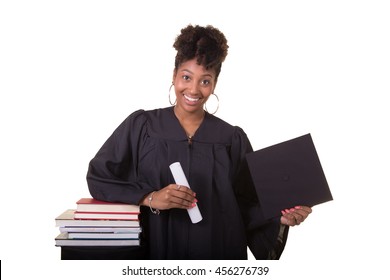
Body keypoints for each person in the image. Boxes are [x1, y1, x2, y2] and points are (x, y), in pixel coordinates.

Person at [86, 24, 312, 260]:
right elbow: (100, 177)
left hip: (218, 253)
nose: (193, 89)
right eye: (186, 77)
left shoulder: (231, 139)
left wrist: (278, 217)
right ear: (174, 76)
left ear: (214, 84)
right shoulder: (142, 126)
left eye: (205, 81)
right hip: (156, 252)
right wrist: (150, 197)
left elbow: (247, 204)